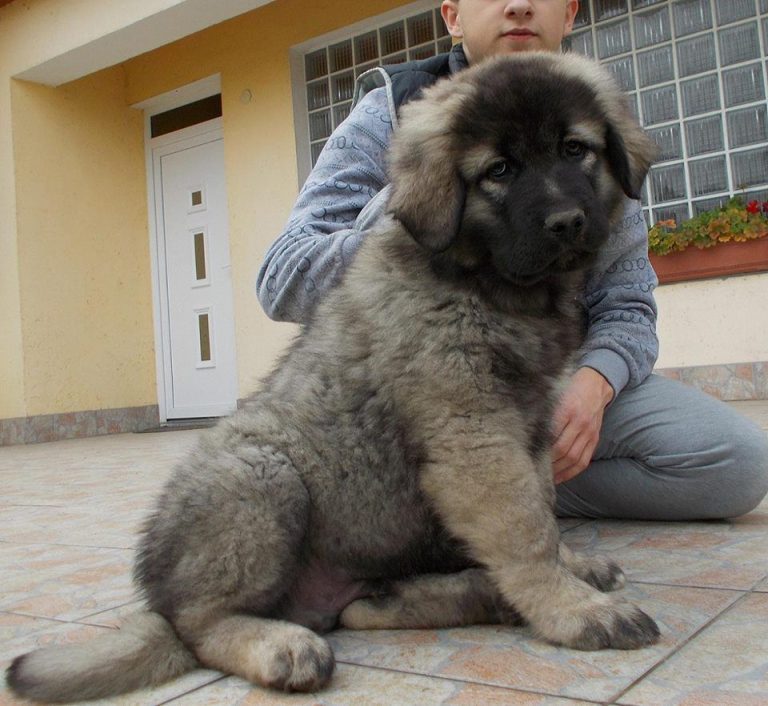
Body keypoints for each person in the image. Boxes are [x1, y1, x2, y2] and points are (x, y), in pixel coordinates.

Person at [257, 0, 768, 520]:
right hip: (423, 394)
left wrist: (595, 385)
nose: (519, 5)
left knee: (735, 463)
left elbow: (627, 304)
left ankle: (492, 502)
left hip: (555, 384)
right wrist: (428, 201)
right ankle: (465, 498)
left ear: (569, 13)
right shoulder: (392, 110)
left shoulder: (590, 107)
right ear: (453, 17)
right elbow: (283, 276)